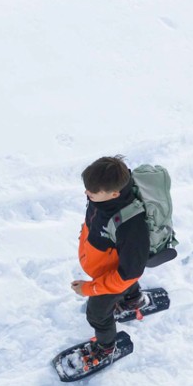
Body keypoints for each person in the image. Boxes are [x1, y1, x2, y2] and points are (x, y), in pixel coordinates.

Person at [71, 155, 148, 362]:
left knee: (97, 315)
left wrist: (89, 289)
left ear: (114, 193)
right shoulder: (102, 195)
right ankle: (132, 300)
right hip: (106, 266)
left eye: (93, 192)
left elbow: (128, 273)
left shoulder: (131, 226)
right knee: (124, 281)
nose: (87, 194)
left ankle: (105, 348)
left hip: (110, 277)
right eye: (87, 188)